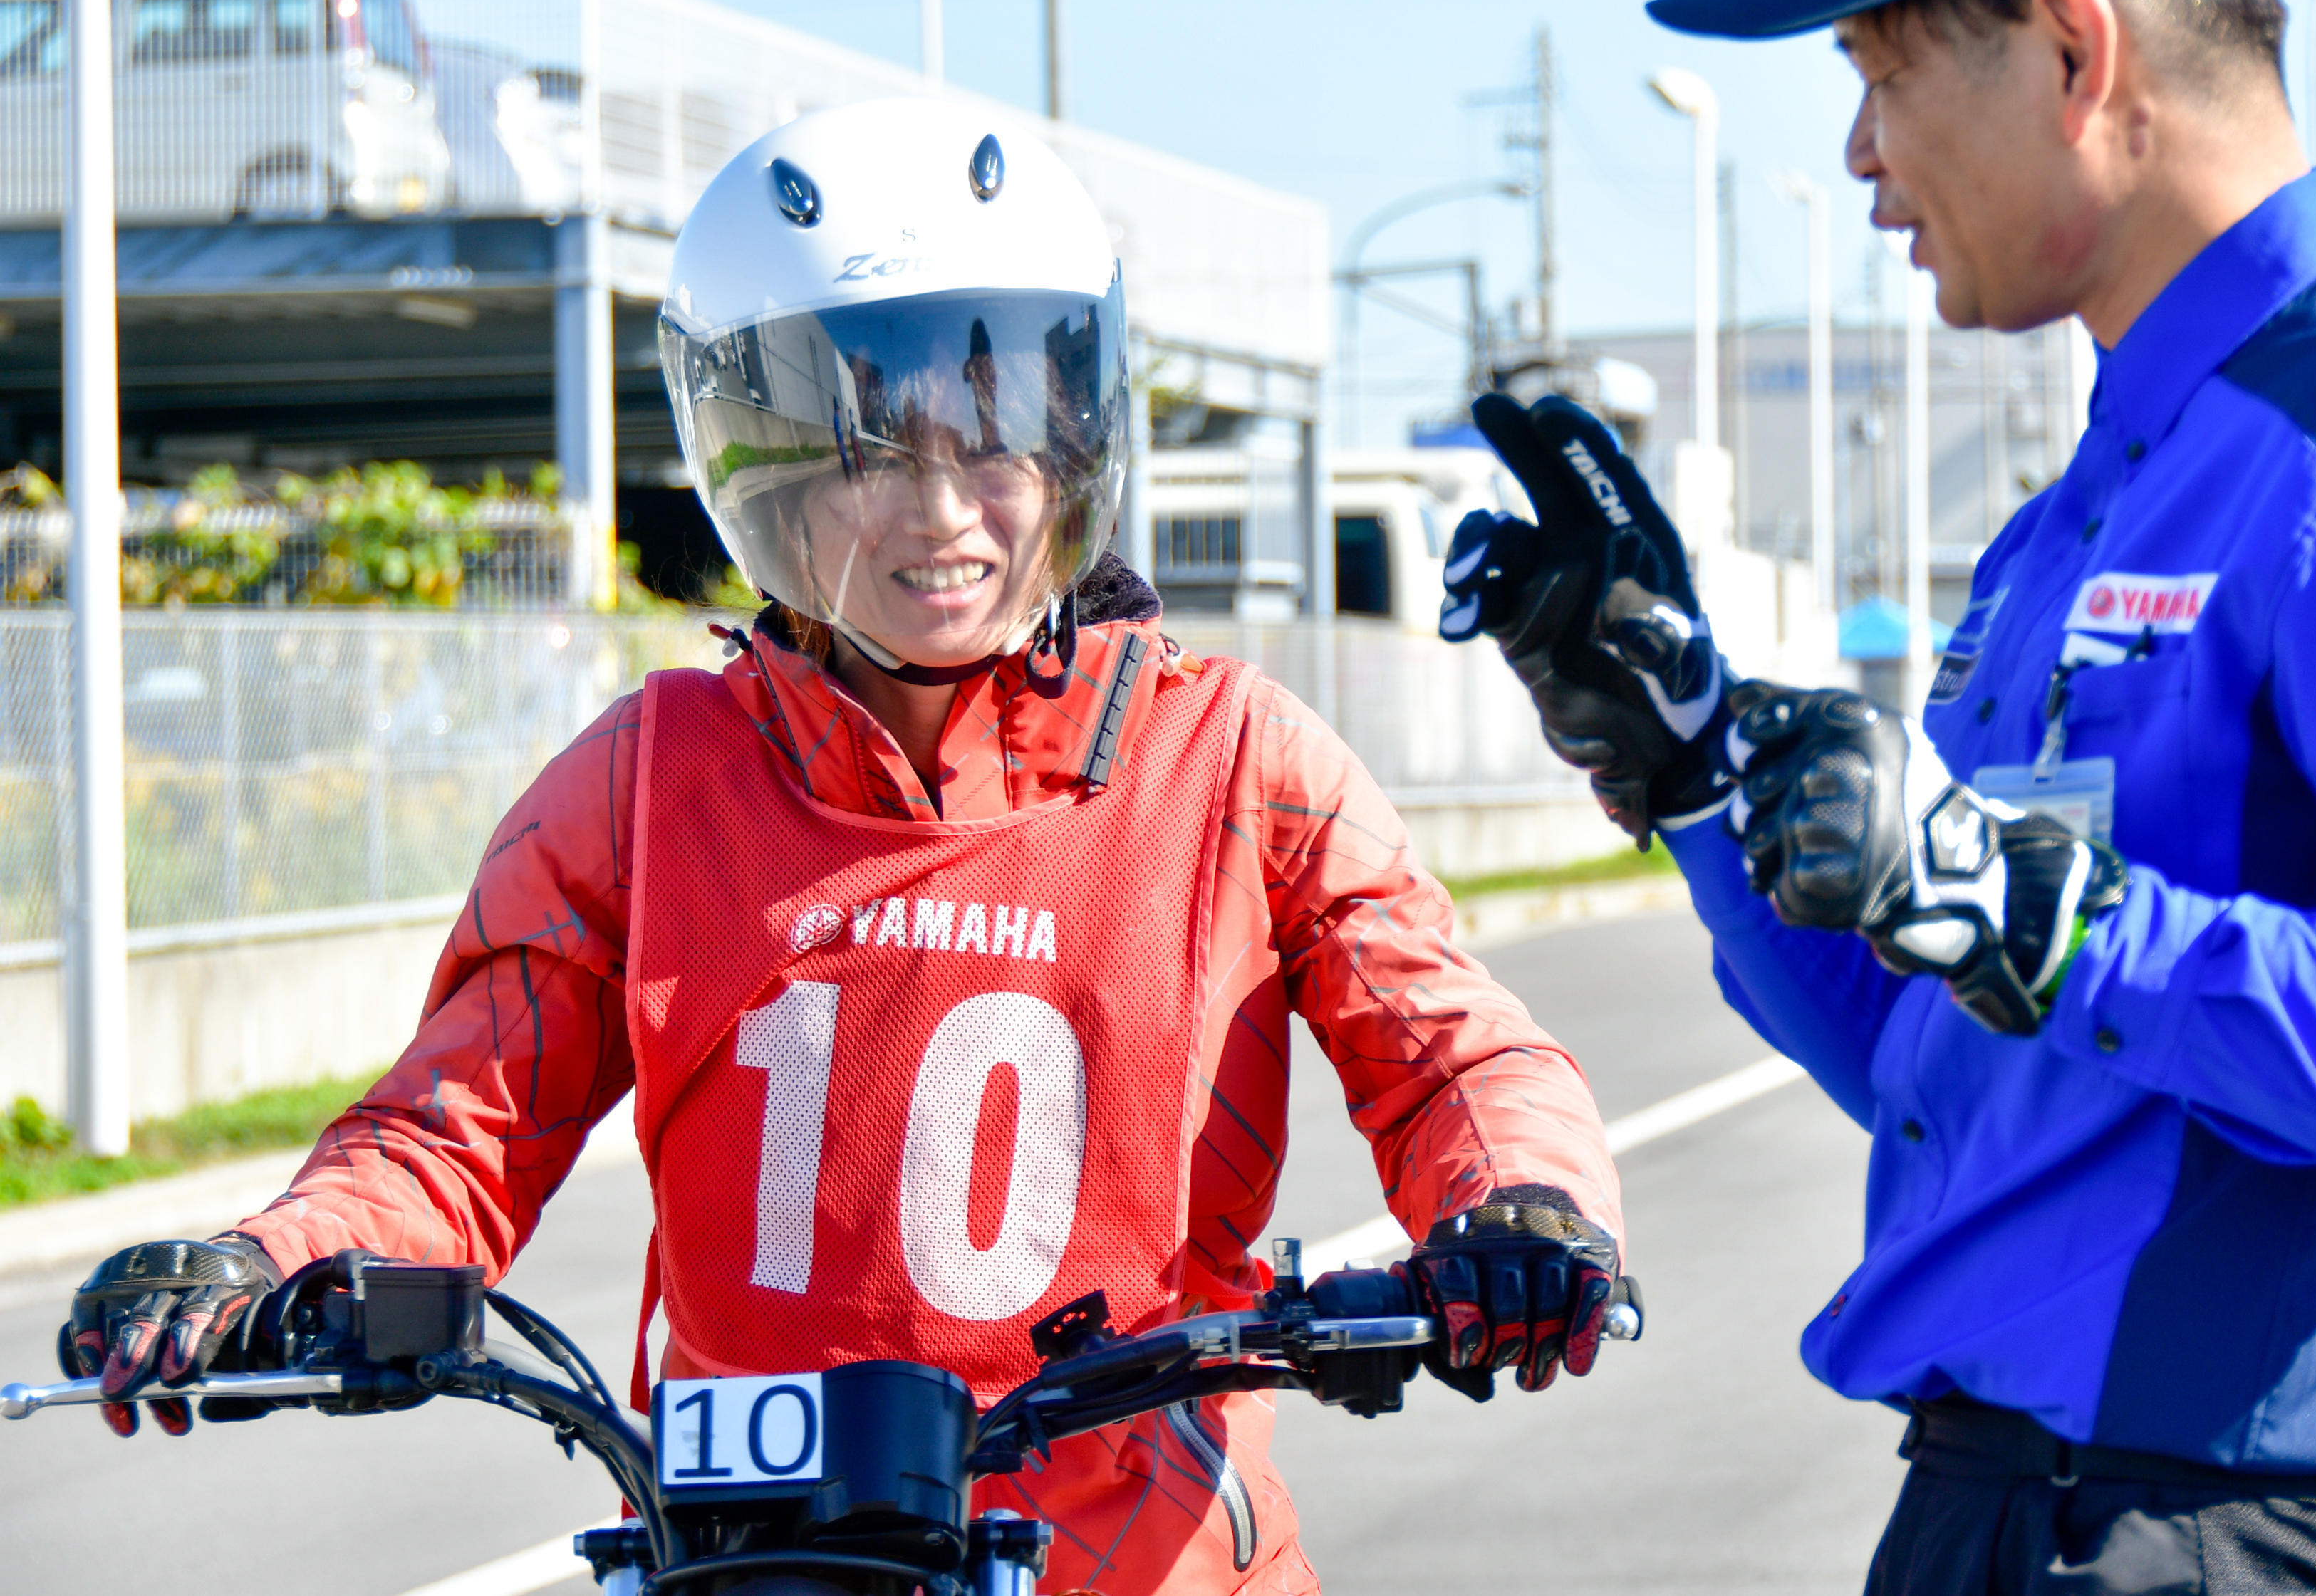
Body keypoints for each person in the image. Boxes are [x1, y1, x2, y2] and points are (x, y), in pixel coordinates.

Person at [60, 100, 1628, 1595]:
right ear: (765, 468)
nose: (939, 509)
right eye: (870, 448)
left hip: (1142, 1562)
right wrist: (266, 1256)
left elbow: (1450, 1053)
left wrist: (1519, 1211)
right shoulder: (644, 779)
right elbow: (455, 1127)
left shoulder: (1230, 757)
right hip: (753, 1556)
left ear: (1075, 442)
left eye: (992, 441)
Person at [1445, 0, 2316, 1592]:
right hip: (1993, 1513)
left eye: (1878, 69)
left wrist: (2047, 912)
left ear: (2076, 47)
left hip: (2231, 1538)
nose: (1858, 158)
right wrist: (1690, 761)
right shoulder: (2083, 501)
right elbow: (1962, 1059)